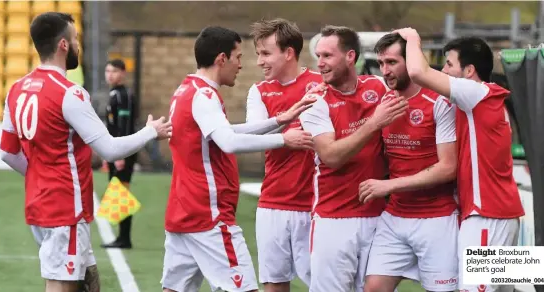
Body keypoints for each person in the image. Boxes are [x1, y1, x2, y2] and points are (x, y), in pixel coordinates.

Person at [0, 12, 171, 292]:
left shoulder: (16, 89)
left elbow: (7, 153)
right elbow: (109, 149)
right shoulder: (70, 93)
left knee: (87, 284)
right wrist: (151, 132)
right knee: (62, 286)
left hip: (39, 205)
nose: (78, 44)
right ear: (63, 45)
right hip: (65, 209)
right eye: (75, 39)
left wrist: (40, 175)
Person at [161, 26, 315, 292]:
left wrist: (279, 120)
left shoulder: (186, 90)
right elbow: (228, 142)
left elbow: (225, 132)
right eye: (238, 57)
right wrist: (284, 138)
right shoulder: (204, 95)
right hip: (208, 215)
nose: (243, 65)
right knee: (244, 288)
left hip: (183, 212)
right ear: (222, 59)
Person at [394, 27, 525, 292]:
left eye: (449, 64)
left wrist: (412, 39)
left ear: (469, 72)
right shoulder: (486, 98)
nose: (443, 70)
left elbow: (419, 73)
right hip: (500, 213)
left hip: (486, 216)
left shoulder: (475, 94)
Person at [299, 25, 407, 292]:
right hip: (334, 220)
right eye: (318, 56)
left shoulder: (378, 87)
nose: (320, 64)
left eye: (327, 56)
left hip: (379, 217)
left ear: (350, 57)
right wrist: (373, 123)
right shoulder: (315, 102)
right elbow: (330, 156)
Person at [359, 32, 459, 292]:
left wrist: (389, 186)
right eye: (381, 64)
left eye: (391, 62)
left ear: (411, 61)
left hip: (436, 219)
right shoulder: (384, 102)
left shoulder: (439, 102)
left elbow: (448, 167)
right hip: (395, 217)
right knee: (372, 288)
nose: (385, 71)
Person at [245, 18, 323, 291]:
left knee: (325, 284)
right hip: (273, 205)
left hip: (316, 206)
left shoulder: (321, 86)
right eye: (258, 54)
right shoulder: (259, 91)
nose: (259, 62)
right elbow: (253, 138)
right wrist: (285, 137)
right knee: (274, 283)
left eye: (266, 53)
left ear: (289, 53)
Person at [101, 58, 137, 249]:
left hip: (122, 152)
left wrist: (121, 154)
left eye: (114, 71)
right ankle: (122, 236)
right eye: (107, 71)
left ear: (123, 73)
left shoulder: (123, 95)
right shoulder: (114, 94)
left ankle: (125, 238)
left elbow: (125, 127)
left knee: (121, 192)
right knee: (117, 192)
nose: (110, 75)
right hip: (115, 151)